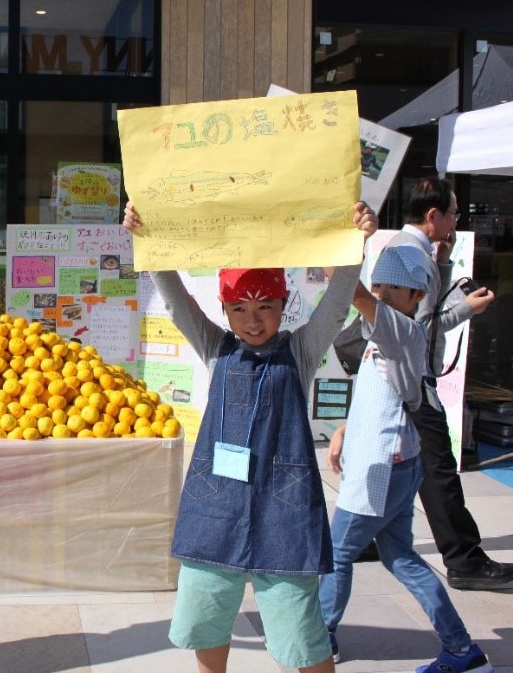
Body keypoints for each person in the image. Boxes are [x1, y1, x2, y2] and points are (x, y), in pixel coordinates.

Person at [123, 199, 378, 673]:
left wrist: (356, 244)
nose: (253, 319)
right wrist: (147, 239)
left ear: (284, 306)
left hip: (285, 508)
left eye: (265, 307)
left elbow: (338, 303)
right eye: (239, 308)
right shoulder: (215, 347)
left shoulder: (301, 350)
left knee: (300, 626)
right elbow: (178, 301)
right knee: (207, 613)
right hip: (215, 506)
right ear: (224, 309)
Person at [319, 244, 491, 673]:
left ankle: (320, 639)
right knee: (400, 557)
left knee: (336, 553)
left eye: (394, 288)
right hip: (393, 462)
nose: (380, 293)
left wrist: (337, 243)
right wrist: (345, 429)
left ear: (416, 298)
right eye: (379, 283)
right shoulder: (384, 332)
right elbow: (382, 396)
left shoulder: (400, 330)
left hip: (383, 469)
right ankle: (461, 650)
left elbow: (353, 292)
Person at [383, 177, 513, 590]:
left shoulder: (406, 250)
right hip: (411, 383)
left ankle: (368, 537)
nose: (456, 222)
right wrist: (467, 309)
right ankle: (464, 559)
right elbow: (417, 331)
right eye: (454, 214)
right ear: (433, 215)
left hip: (394, 379)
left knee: (388, 465)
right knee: (438, 471)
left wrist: (442, 263)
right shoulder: (412, 257)